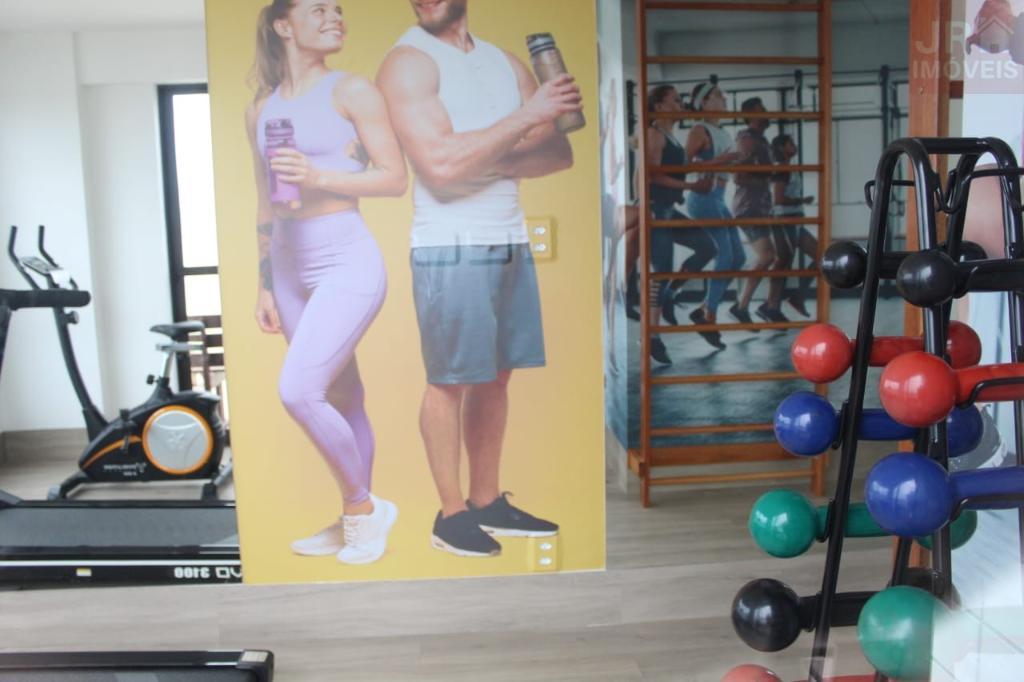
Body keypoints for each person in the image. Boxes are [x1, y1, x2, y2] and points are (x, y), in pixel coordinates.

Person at [377, 0, 579, 557]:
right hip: (450, 246)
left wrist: (483, 155)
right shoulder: (409, 62)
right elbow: (440, 169)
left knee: (496, 377)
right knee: (450, 381)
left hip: (509, 237)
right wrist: (524, 120)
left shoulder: (506, 63)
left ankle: (487, 501)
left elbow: (558, 152)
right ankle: (451, 516)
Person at [247, 0, 408, 565]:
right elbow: (264, 200)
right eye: (318, 8)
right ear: (283, 26)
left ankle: (365, 508)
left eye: (337, 9)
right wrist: (265, 282)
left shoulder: (353, 90)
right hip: (288, 263)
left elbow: (394, 178)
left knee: (299, 391)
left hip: (345, 257)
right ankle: (353, 522)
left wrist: (316, 174)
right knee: (341, 396)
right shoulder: (261, 109)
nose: (334, 16)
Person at [645, 84, 717, 361]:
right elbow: (653, 176)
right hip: (655, 211)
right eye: (675, 100)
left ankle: (671, 295)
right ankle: (653, 337)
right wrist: (692, 187)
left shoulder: (671, 137)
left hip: (668, 210)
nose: (681, 104)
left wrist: (716, 163)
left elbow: (677, 170)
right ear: (660, 106)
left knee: (707, 247)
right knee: (661, 272)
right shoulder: (654, 134)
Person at [684, 81, 744, 350]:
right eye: (718, 95)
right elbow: (683, 165)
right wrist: (723, 160)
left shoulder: (722, 131)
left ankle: (705, 308)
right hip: (704, 197)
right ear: (704, 102)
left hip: (720, 196)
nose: (724, 98)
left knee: (738, 257)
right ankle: (709, 315)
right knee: (726, 255)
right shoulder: (699, 130)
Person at [730, 97, 790, 326]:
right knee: (767, 256)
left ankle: (743, 306)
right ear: (751, 115)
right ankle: (740, 306)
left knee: (773, 256)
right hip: (749, 208)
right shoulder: (747, 139)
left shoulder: (761, 140)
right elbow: (739, 176)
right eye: (761, 109)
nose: (766, 112)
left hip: (760, 208)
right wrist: (766, 179)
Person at [770, 133, 817, 317]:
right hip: (784, 220)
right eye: (791, 144)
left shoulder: (790, 168)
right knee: (783, 262)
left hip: (796, 220)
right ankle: (772, 306)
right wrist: (802, 200)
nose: (794, 146)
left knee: (821, 255)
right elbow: (778, 199)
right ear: (782, 147)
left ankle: (797, 297)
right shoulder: (782, 169)